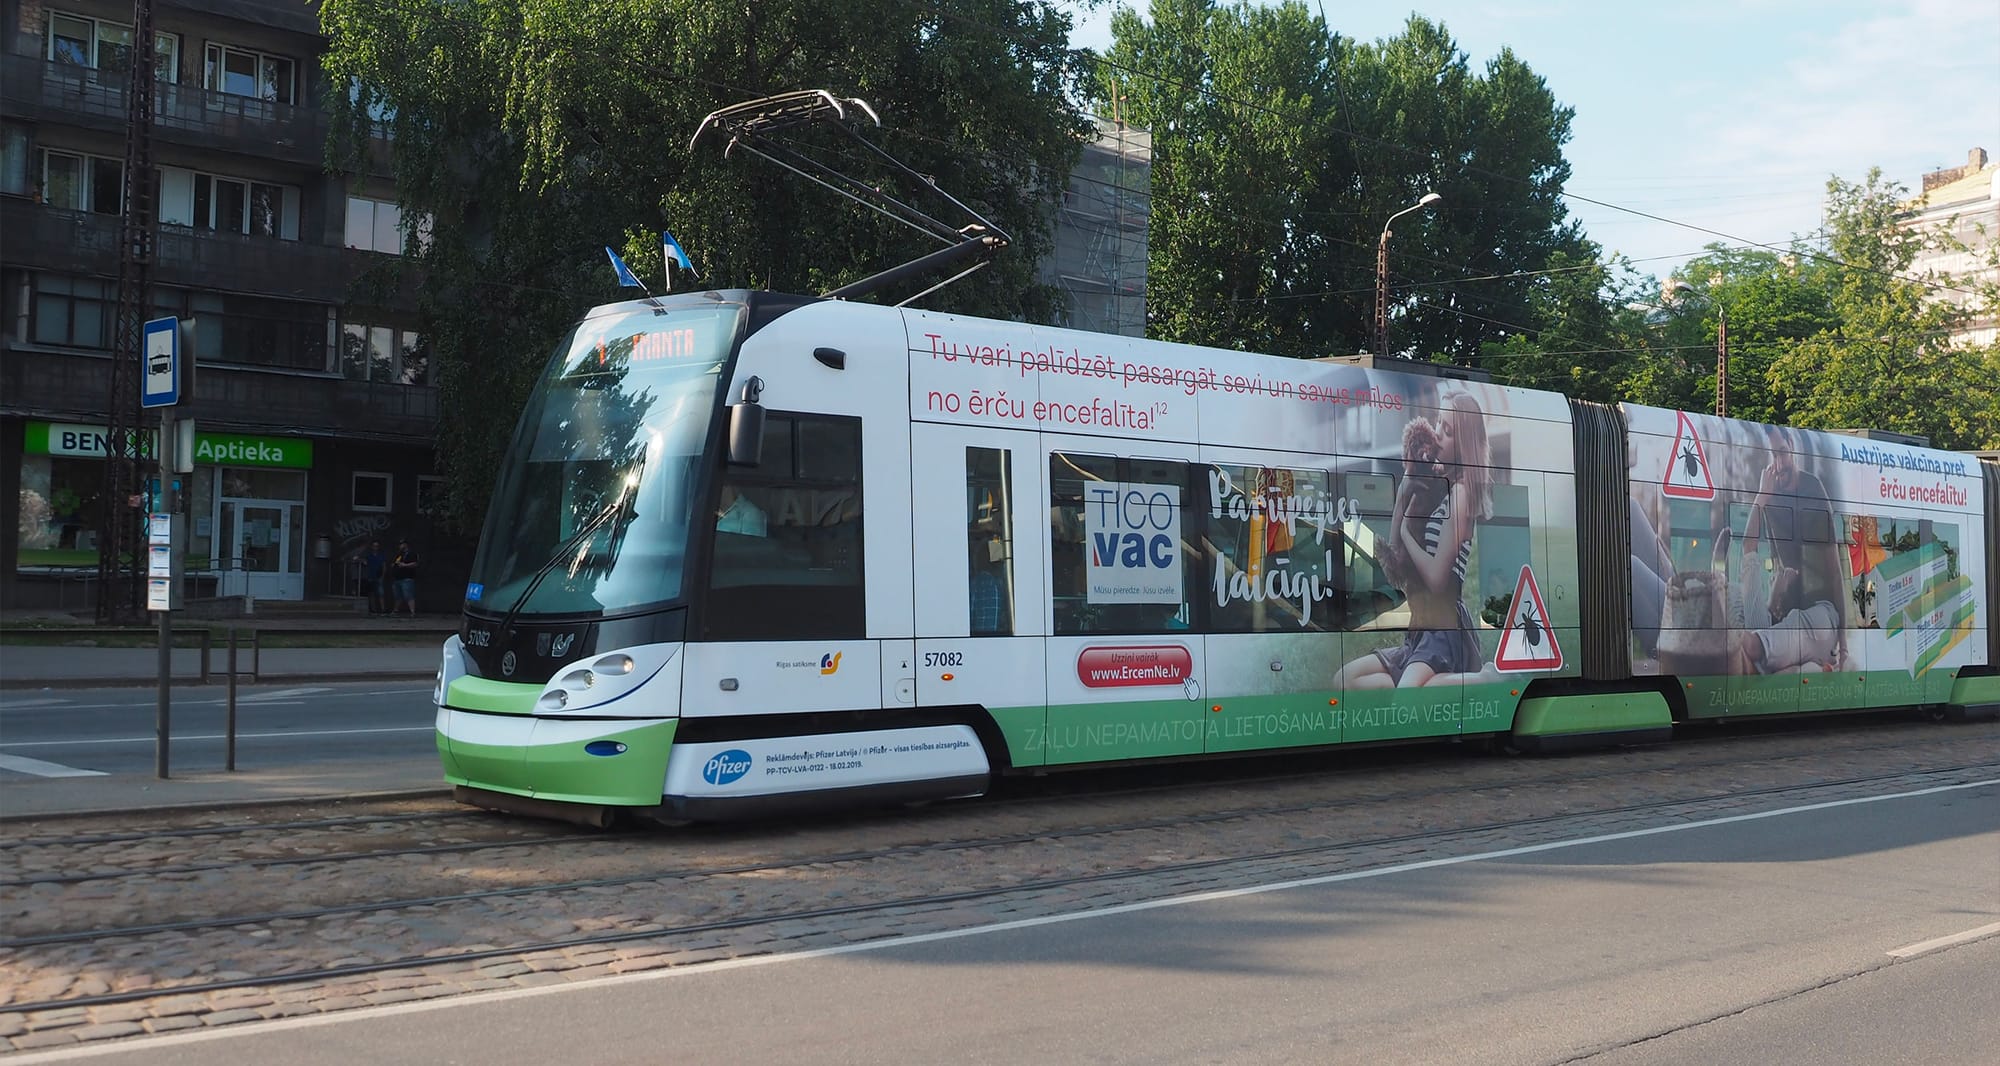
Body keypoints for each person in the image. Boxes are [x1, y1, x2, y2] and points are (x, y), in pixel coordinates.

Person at [1336, 392, 1493, 689]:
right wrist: (1403, 497)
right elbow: (1395, 563)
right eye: (1438, 422)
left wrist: (1408, 534)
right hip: (1420, 630)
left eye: (1447, 431)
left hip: (1445, 630)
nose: (1436, 434)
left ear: (1464, 445)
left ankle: (1482, 679)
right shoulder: (1440, 484)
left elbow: (1436, 579)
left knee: (1408, 695)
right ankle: (1413, 686)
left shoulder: (1460, 494)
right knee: (1345, 680)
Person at [1729, 427, 1844, 673]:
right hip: (1783, 616)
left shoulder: (1813, 488)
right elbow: (1749, 549)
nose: (1779, 464)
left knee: (1801, 623)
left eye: (1782, 453)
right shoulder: (1771, 496)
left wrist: (1844, 641)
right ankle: (1756, 641)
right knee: (1736, 591)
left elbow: (1835, 571)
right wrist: (1762, 497)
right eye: (1773, 457)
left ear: (1791, 444)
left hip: (1822, 614)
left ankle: (1756, 645)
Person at [389, 538, 421, 617]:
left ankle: (412, 612)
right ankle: (395, 611)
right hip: (397, 578)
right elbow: (394, 563)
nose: (400, 546)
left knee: (408, 595)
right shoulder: (399, 554)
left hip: (407, 578)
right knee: (397, 596)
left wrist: (405, 565)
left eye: (402, 544)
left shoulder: (412, 553)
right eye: (400, 544)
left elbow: (415, 564)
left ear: (406, 545)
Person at [360, 539, 388, 615]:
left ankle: (383, 609)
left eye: (377, 546)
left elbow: (384, 567)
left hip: (378, 576)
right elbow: (364, 561)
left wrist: (382, 576)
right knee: (371, 593)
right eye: (374, 546)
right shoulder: (369, 555)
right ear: (372, 547)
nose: (376, 547)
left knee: (381, 593)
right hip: (370, 576)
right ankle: (373, 609)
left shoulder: (381, 556)